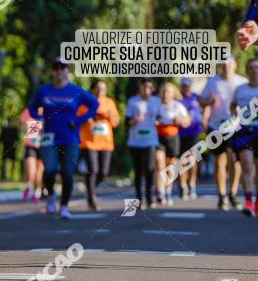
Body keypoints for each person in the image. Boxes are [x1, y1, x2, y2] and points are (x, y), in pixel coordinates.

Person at [27, 57, 98, 219]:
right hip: (49, 138)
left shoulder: (75, 91)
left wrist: (79, 120)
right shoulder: (44, 91)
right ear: (53, 71)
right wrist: (39, 119)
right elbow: (31, 109)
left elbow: (94, 105)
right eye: (56, 67)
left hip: (70, 137)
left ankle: (64, 206)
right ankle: (51, 196)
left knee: (68, 173)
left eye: (63, 67)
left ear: (68, 70)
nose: (59, 71)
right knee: (50, 170)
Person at [199, 57, 247, 210]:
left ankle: (232, 193)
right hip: (216, 127)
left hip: (236, 127)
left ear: (234, 65)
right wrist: (208, 103)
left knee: (235, 160)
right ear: (220, 66)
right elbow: (201, 100)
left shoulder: (241, 82)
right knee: (220, 161)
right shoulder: (212, 82)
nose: (226, 67)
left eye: (229, 64)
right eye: (223, 65)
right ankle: (222, 196)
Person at [230, 58, 258, 217]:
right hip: (245, 130)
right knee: (246, 163)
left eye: (257, 67)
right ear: (247, 71)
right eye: (251, 67)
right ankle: (248, 201)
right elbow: (233, 104)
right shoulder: (240, 90)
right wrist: (234, 116)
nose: (254, 70)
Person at [78, 80, 120, 211]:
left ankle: (91, 188)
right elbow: (77, 119)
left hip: (106, 143)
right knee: (93, 169)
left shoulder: (109, 103)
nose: (100, 91)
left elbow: (115, 121)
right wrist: (88, 119)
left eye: (103, 88)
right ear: (92, 89)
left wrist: (107, 117)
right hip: (89, 142)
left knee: (103, 172)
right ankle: (91, 200)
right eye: (98, 88)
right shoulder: (85, 103)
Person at [125, 79, 161, 209]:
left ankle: (150, 198)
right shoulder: (132, 101)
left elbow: (160, 118)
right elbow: (127, 123)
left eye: (149, 87)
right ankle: (139, 199)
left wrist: (158, 121)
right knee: (138, 171)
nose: (147, 90)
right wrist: (136, 120)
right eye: (144, 87)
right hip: (135, 141)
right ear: (140, 87)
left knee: (150, 169)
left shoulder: (156, 101)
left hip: (151, 140)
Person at [154, 82, 190, 206]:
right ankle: (160, 192)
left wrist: (179, 120)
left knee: (170, 166)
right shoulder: (156, 104)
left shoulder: (177, 106)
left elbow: (187, 122)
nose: (165, 94)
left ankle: (167, 191)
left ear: (172, 93)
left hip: (172, 137)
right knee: (159, 163)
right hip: (158, 137)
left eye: (168, 91)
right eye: (163, 91)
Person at [178, 77, 203, 199]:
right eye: (183, 86)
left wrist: (206, 117)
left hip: (194, 132)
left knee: (193, 160)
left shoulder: (196, 97)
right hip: (180, 133)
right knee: (182, 160)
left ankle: (192, 184)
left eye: (187, 86)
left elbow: (207, 103)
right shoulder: (177, 99)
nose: (185, 88)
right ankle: (183, 186)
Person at [20, 107, 44, 203]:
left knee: (38, 175)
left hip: (43, 146)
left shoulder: (49, 109)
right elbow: (22, 126)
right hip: (31, 145)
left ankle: (35, 193)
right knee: (31, 171)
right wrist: (27, 128)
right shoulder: (29, 111)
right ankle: (28, 186)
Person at [0, 116, 20, 182]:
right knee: (4, 162)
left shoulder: (15, 129)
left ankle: (11, 176)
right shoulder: (4, 129)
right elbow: (0, 139)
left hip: (12, 148)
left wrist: (17, 147)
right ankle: (5, 176)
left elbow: (17, 139)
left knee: (13, 162)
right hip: (5, 147)